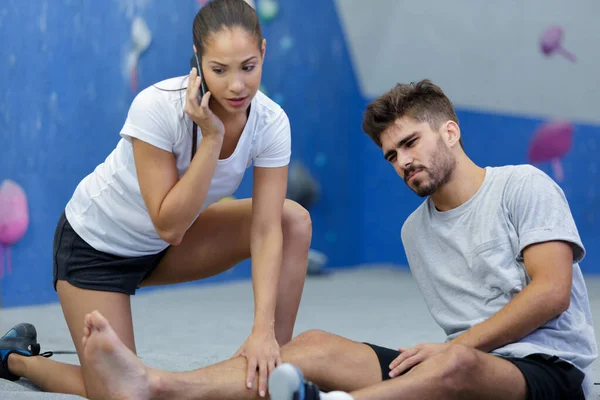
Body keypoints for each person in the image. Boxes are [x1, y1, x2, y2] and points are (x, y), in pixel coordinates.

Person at [23, 78, 596, 400]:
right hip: (463, 362)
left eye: (413, 143)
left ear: (451, 129)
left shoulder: (523, 185)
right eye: (392, 154)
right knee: (311, 345)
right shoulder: (415, 232)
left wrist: (459, 348)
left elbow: (549, 293)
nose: (403, 161)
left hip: (545, 373)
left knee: (452, 369)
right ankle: (158, 384)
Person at [0, 0, 312, 398]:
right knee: (122, 392)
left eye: (248, 67)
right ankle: (15, 359)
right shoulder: (157, 107)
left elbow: (267, 231)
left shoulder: (270, 122)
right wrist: (212, 138)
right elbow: (169, 223)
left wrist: (262, 330)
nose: (237, 86)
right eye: (219, 70)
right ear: (197, 60)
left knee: (292, 221)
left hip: (162, 249)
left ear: (264, 52)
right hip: (96, 250)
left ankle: (271, 368)